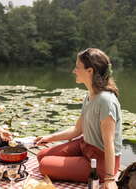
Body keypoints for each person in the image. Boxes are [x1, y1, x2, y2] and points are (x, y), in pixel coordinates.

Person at [35, 48, 122, 189]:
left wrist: (109, 178)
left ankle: (91, 169)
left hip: (99, 161)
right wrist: (48, 138)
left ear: (90, 71)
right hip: (84, 145)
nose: (74, 71)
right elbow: (77, 130)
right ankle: (76, 162)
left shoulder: (106, 100)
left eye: (77, 67)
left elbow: (109, 143)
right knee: (41, 156)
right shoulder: (89, 95)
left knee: (45, 165)